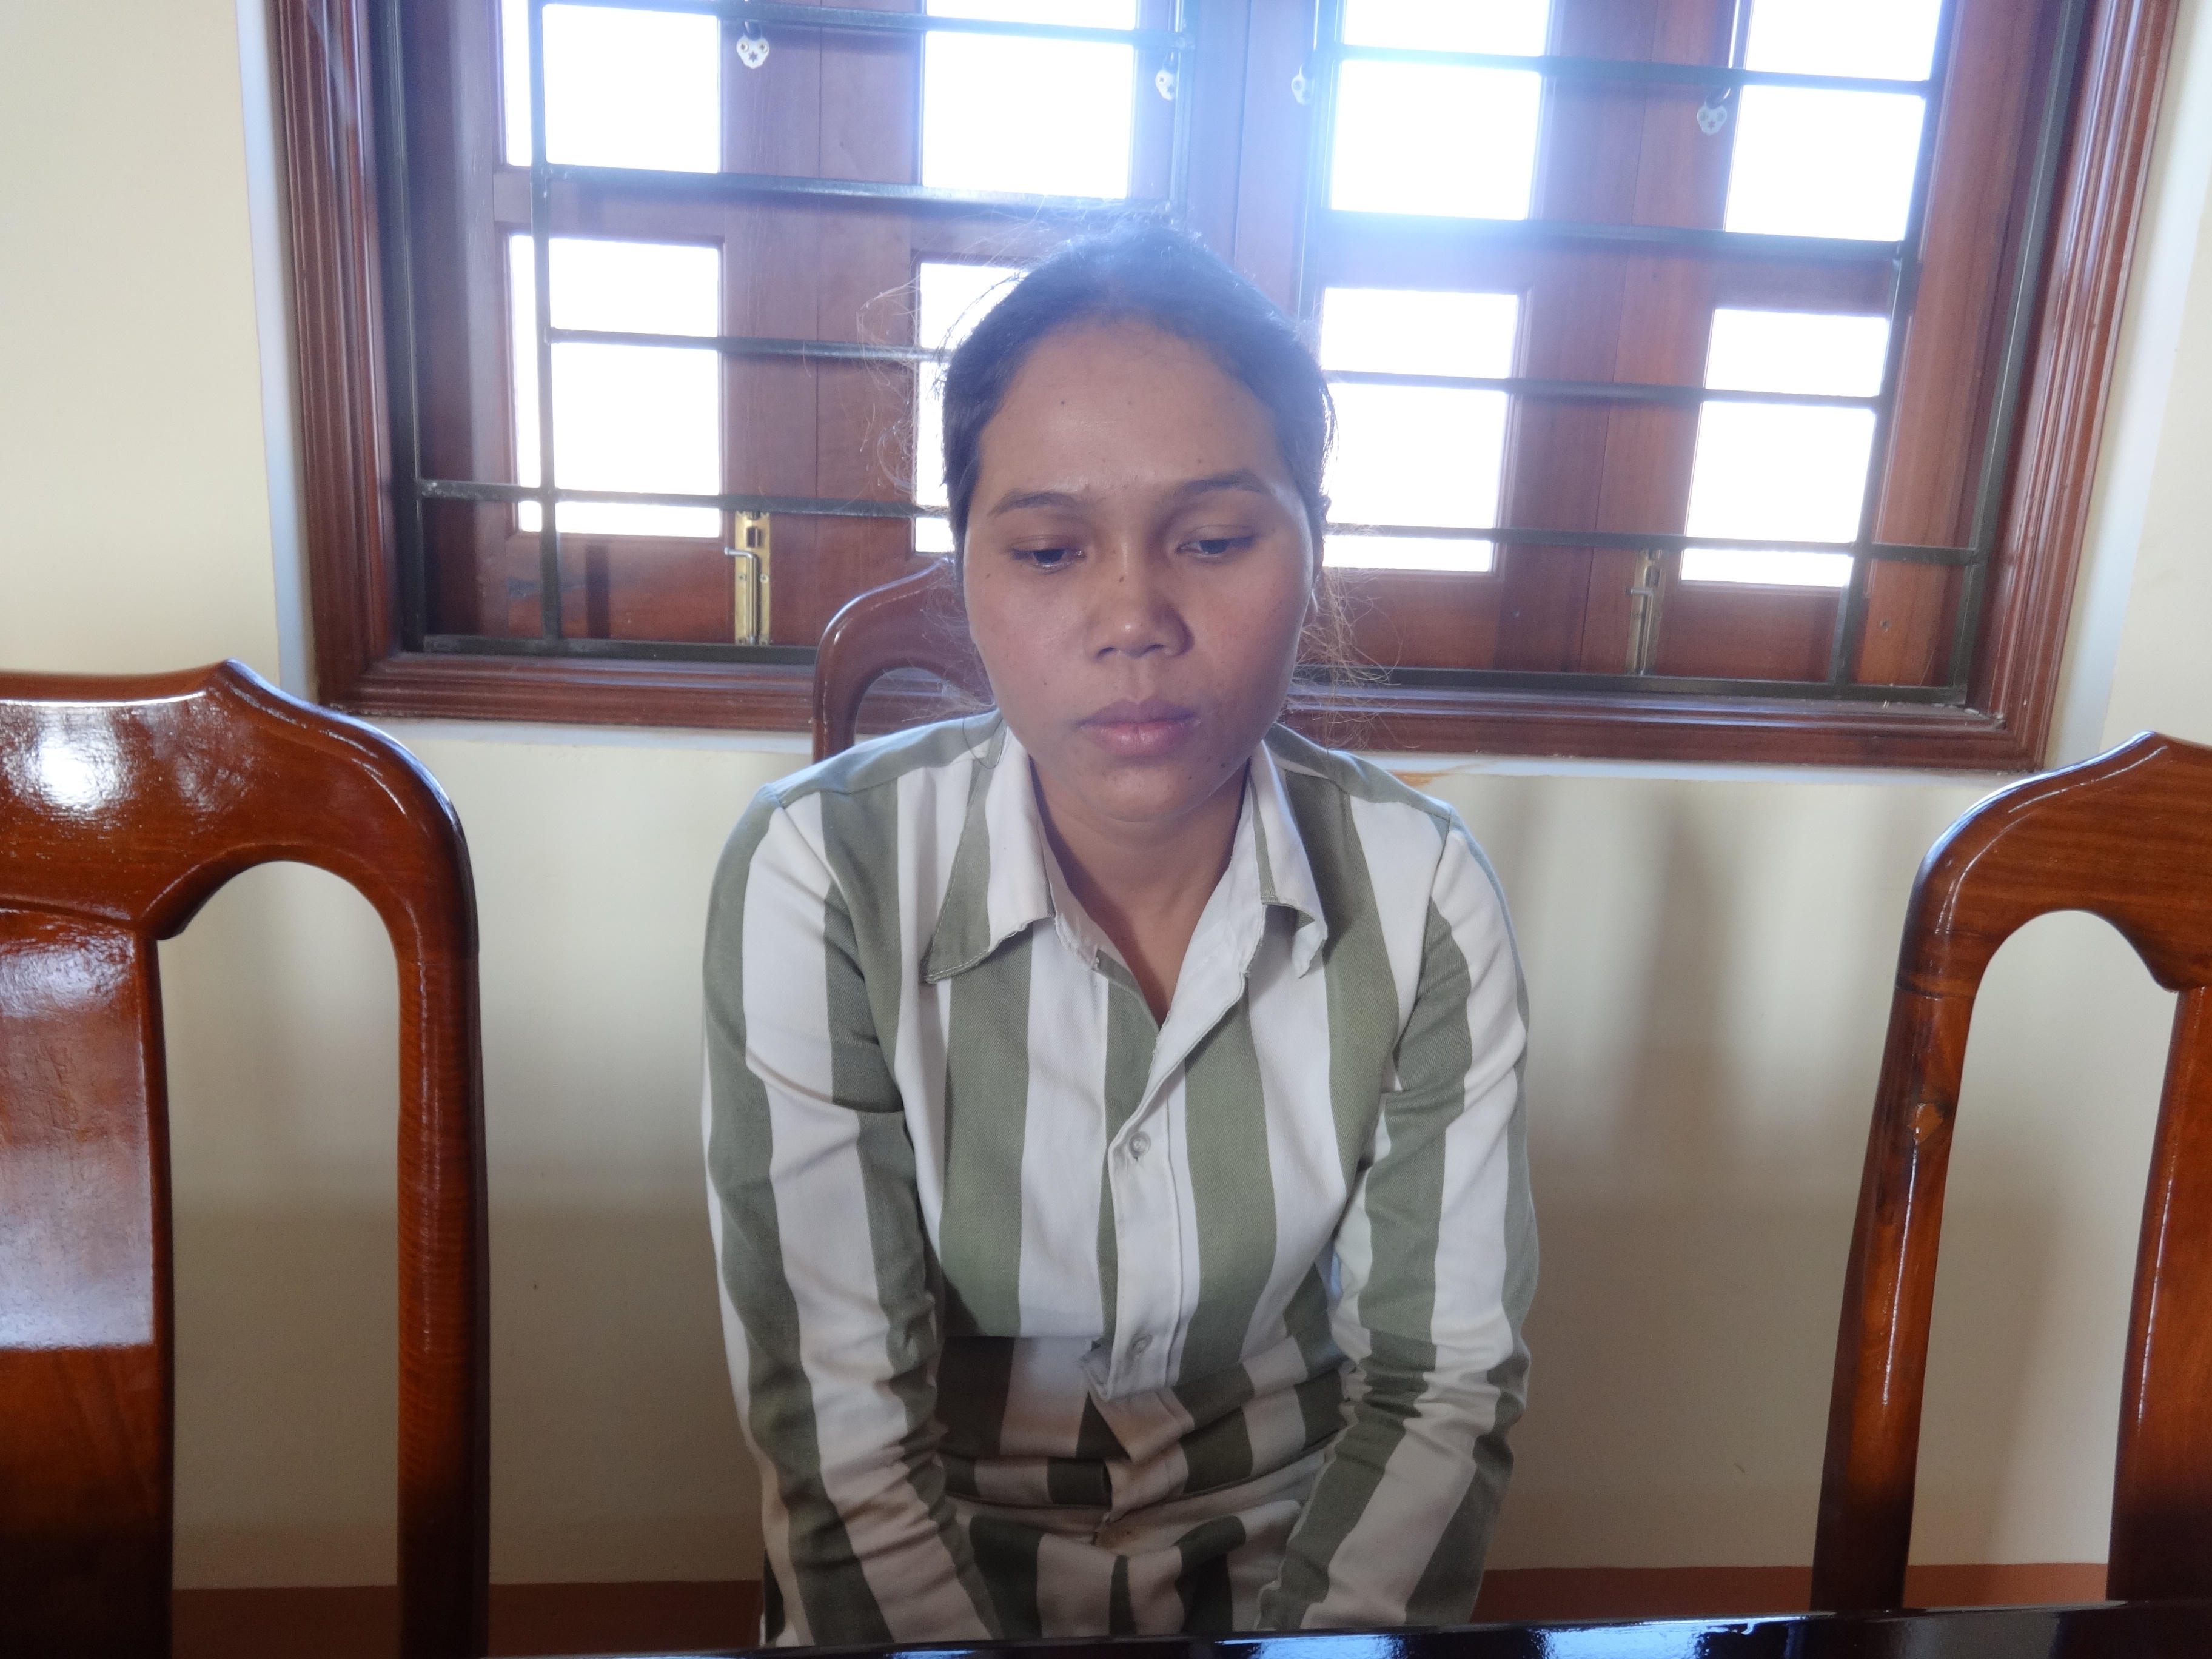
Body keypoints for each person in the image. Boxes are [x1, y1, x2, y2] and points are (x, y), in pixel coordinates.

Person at [702, 223, 1533, 1644]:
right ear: (968, 564)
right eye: (1048, 549)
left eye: (1214, 541)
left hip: (1291, 1592)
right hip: (936, 1599)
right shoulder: (824, 873)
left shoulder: (1422, 892)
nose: (1134, 618)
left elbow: (1438, 1383)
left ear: (1311, 546)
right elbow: (841, 1435)